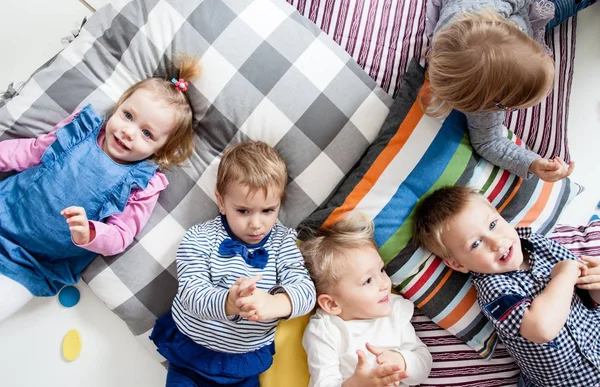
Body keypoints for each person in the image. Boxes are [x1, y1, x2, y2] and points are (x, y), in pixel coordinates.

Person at [0, 54, 201, 322]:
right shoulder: (80, 132)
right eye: (127, 115)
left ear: (162, 149)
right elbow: (31, 151)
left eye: (147, 134)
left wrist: (92, 232)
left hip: (35, 265)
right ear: (118, 107)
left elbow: (121, 234)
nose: (129, 132)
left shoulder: (143, 183)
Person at [150, 140, 317, 387]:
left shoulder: (284, 243)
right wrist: (228, 302)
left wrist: (276, 303)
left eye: (268, 210)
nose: (256, 224)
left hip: (244, 365)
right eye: (243, 211)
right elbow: (191, 293)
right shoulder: (200, 238)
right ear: (221, 202)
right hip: (190, 357)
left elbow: (306, 291)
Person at [413, 185, 600, 386]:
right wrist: (563, 275)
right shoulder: (494, 291)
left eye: (493, 225)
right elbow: (541, 329)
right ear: (457, 264)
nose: (496, 242)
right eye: (475, 244)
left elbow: (590, 298)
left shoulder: (540, 245)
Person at [423, 2, 574, 182]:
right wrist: (532, 162)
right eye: (507, 106)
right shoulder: (477, 96)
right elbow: (488, 142)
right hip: (532, 22)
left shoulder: (484, 7)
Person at [300, 213, 433, 387]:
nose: (385, 284)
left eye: (382, 270)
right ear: (332, 304)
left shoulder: (393, 311)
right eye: (368, 281)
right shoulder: (326, 330)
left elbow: (424, 362)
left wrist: (402, 360)